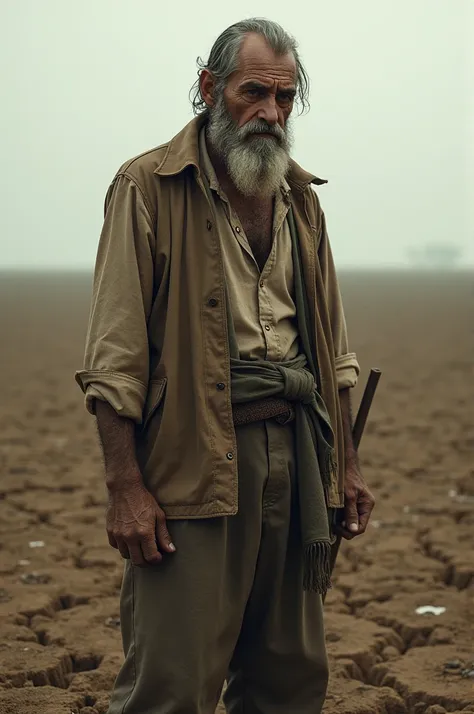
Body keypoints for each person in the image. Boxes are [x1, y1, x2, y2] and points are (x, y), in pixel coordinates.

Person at [76, 18, 375, 714]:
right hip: (193, 463)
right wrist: (126, 486)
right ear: (210, 89)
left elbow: (333, 350)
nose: (270, 114)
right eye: (253, 94)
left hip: (297, 462)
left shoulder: (301, 199)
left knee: (288, 682)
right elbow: (114, 359)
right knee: (171, 686)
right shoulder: (148, 186)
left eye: (285, 98)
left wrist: (346, 467)